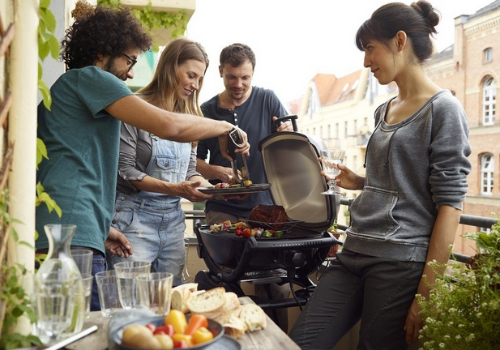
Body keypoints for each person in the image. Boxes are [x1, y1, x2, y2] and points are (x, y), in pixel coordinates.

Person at [35, 2, 249, 311]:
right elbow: (169, 125)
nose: (131, 72)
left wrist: (100, 226)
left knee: (89, 326)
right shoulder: (92, 79)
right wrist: (225, 126)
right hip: (72, 232)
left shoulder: (73, 88)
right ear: (101, 52)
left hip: (77, 227)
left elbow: (72, 165)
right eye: (129, 60)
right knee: (83, 332)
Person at [288, 2, 471, 349]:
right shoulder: (382, 110)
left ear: (399, 41)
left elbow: (450, 205)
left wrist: (426, 294)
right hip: (355, 248)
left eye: (370, 49)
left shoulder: (444, 110)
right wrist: (357, 180)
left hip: (400, 261)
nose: (365, 61)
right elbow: (393, 181)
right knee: (302, 341)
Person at [196, 43, 292, 331]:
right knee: (228, 283)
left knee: (280, 287)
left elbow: (288, 144)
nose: (238, 84)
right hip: (222, 210)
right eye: (232, 77)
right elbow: (194, 161)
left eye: (245, 78)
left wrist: (286, 134)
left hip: (265, 208)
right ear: (221, 72)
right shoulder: (206, 110)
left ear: (253, 74)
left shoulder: (268, 99)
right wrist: (216, 171)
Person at [108, 37, 216, 287]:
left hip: (174, 223)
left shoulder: (191, 117)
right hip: (133, 221)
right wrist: (177, 189)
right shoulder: (134, 107)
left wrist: (201, 183)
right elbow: (125, 172)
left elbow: (189, 169)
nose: (195, 85)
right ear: (170, 67)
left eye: (200, 79)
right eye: (191, 75)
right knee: (130, 302)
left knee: (169, 303)